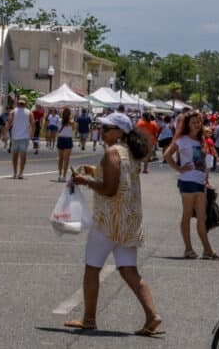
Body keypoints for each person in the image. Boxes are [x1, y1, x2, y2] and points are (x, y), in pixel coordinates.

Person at [64, 112, 161, 337]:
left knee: (92, 267)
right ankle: (152, 315)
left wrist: (85, 180)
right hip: (129, 221)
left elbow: (109, 189)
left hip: (108, 221)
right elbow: (119, 178)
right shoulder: (131, 152)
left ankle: (89, 319)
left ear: (119, 132)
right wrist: (94, 172)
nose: (102, 132)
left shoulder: (112, 152)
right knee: (129, 269)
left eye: (107, 128)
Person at [163, 112, 219, 260]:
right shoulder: (182, 139)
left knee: (202, 217)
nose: (197, 124)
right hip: (187, 181)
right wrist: (179, 168)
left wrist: (207, 180)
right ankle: (188, 249)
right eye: (194, 122)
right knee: (187, 215)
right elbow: (167, 155)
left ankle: (207, 250)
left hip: (201, 182)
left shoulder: (202, 140)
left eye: (199, 122)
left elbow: (204, 162)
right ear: (187, 124)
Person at [6, 98, 34, 179]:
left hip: (15, 137)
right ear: (25, 104)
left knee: (15, 156)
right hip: (24, 137)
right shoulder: (29, 112)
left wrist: (4, 133)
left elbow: (9, 123)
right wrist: (32, 134)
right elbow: (33, 124)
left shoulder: (13, 112)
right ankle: (20, 173)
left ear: (18, 104)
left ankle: (15, 173)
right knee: (23, 156)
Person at [56, 107, 74, 182]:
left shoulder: (60, 121)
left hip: (61, 139)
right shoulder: (71, 122)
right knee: (66, 159)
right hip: (68, 140)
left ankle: (59, 175)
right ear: (69, 114)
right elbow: (74, 129)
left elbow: (58, 130)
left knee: (60, 158)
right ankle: (64, 176)